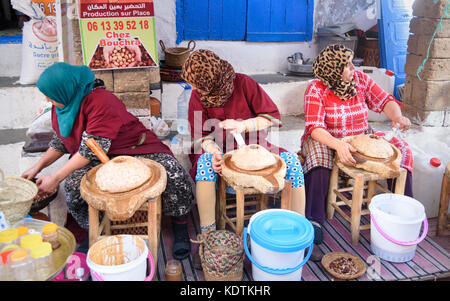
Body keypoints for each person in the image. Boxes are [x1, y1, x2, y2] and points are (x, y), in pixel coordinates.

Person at [21, 62, 194, 260]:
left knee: (173, 172)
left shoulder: (101, 101)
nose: (47, 99)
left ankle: (180, 224)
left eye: (49, 94)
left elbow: (87, 150)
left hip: (134, 147)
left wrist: (56, 177)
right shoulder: (63, 103)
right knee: (73, 185)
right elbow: (61, 139)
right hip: (99, 156)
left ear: (65, 88)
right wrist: (37, 167)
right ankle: (92, 231)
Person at [181, 49, 306, 266]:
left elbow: (272, 117)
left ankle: (299, 235)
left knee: (293, 164)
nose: (194, 89)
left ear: (214, 77)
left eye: (198, 84)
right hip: (220, 149)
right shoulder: (197, 95)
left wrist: (243, 125)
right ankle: (207, 239)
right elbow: (200, 136)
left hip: (256, 147)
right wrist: (213, 152)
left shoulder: (244, 84)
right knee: (204, 165)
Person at [300, 44, 414, 259]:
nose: (354, 68)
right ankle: (313, 223)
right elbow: (314, 128)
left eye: (352, 63)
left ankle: (402, 209)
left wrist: (397, 117)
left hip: (360, 137)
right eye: (347, 65)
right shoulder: (316, 89)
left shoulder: (359, 80)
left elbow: (386, 100)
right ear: (333, 69)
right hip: (327, 139)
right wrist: (339, 145)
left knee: (401, 150)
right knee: (318, 161)